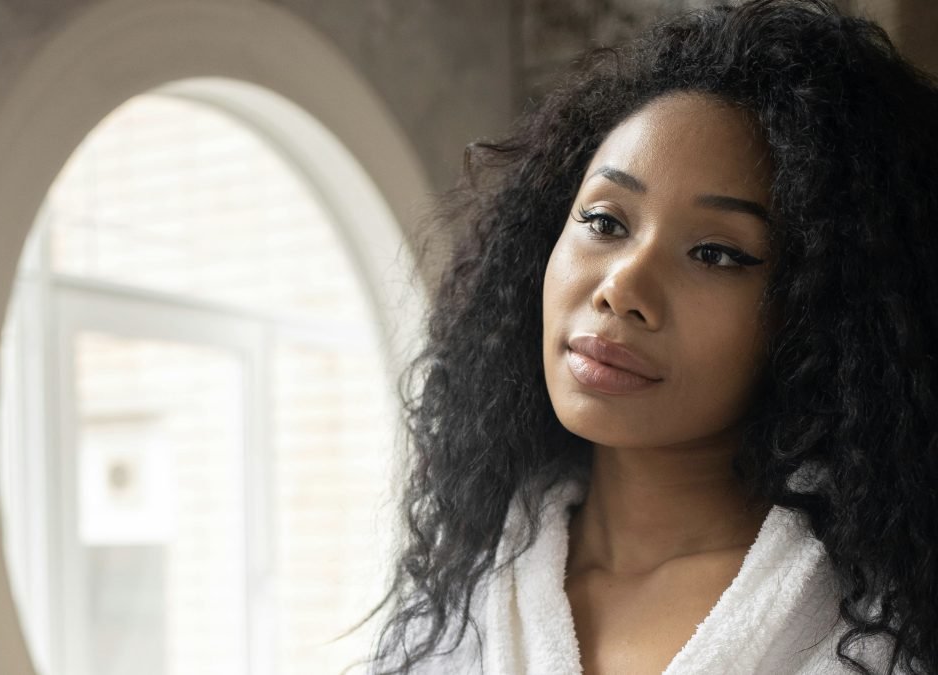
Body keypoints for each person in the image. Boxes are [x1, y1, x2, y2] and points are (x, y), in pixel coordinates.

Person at [362, 0, 938, 673]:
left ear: (818, 314)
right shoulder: (458, 602)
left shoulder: (884, 634)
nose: (622, 288)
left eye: (718, 254)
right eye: (605, 222)